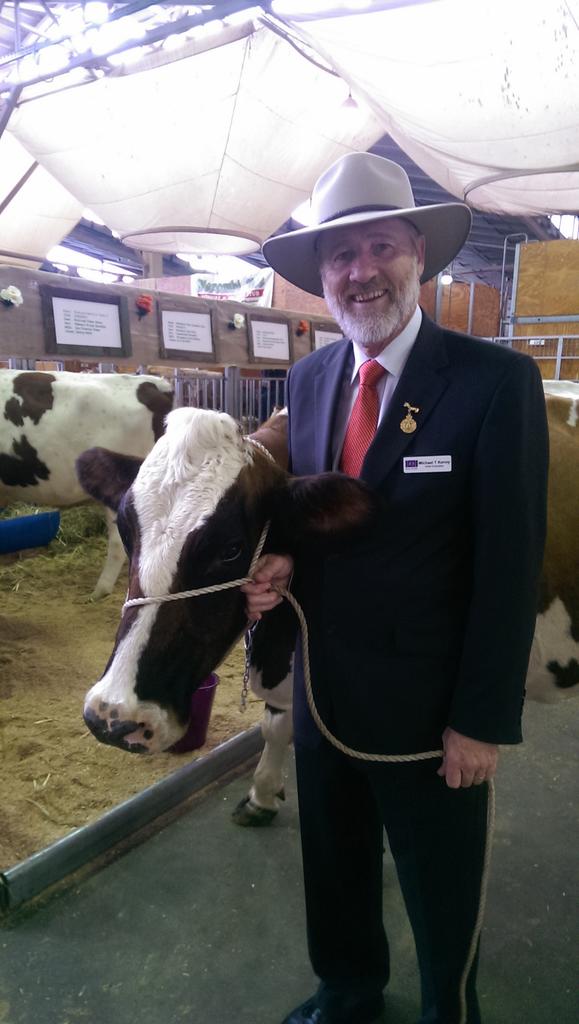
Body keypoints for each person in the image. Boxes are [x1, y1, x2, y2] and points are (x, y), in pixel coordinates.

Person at [241, 152, 549, 1024]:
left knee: (439, 878)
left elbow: (507, 563)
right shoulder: (306, 381)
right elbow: (313, 519)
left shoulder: (494, 383)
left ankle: (449, 1009)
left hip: (429, 709)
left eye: (379, 247)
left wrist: (482, 719)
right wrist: (280, 565)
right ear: (321, 275)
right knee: (332, 865)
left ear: (418, 253)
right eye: (340, 256)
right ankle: (347, 990)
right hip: (324, 694)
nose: (360, 272)